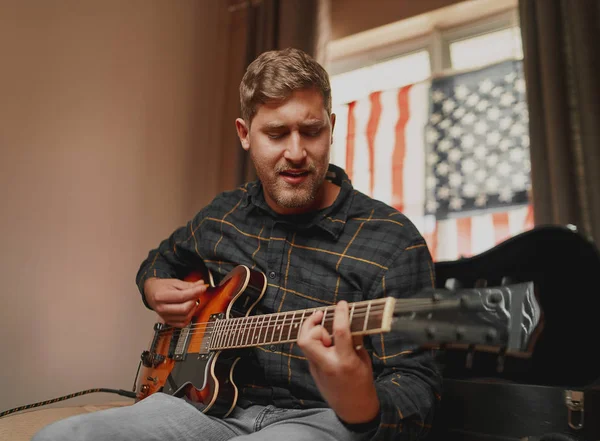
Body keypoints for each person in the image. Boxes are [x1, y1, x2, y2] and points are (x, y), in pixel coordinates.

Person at [33, 47, 441, 441]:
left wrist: (361, 400)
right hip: (203, 407)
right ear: (245, 134)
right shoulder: (222, 215)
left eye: (312, 131)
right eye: (277, 133)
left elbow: (417, 390)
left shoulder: (393, 242)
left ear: (332, 126)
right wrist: (152, 286)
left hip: (320, 418)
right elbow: (160, 262)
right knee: (64, 435)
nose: (296, 152)